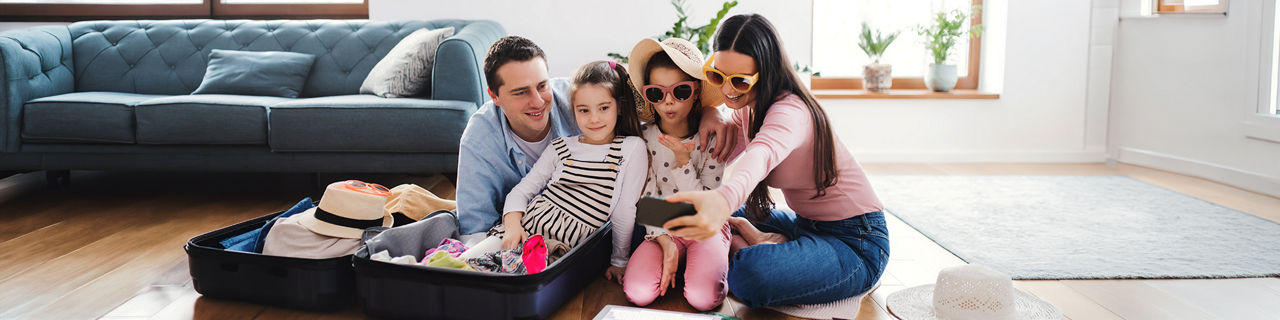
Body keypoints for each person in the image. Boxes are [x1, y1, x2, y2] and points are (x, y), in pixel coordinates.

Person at [661, 14, 891, 308]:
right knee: (665, 214)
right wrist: (709, 113)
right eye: (718, 76)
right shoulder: (748, 108)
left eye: (740, 81)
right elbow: (711, 159)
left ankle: (745, 244)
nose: (728, 90)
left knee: (749, 275)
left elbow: (760, 156)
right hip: (804, 224)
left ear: (766, 73)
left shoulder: (790, 112)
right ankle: (756, 243)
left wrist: (722, 201)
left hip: (855, 241)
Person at [455, 36, 736, 242]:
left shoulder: (580, 98)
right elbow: (475, 227)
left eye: (542, 85)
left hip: (609, 217)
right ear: (494, 96)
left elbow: (661, 106)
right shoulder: (479, 140)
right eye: (520, 92)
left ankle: (729, 227)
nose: (538, 101)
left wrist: (709, 110)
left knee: (656, 216)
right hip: (534, 224)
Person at [462, 60, 647, 281]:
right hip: (524, 226)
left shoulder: (631, 148)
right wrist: (512, 227)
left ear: (619, 107)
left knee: (506, 283)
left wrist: (619, 261)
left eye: (604, 108)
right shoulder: (561, 147)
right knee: (461, 267)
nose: (594, 118)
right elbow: (521, 192)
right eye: (583, 110)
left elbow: (624, 210)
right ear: (573, 110)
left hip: (560, 245)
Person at [620, 37, 729, 311]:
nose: (668, 102)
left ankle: (725, 243)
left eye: (680, 91)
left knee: (704, 297)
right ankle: (685, 260)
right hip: (663, 227)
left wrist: (683, 162)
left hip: (706, 226)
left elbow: (707, 207)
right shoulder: (643, 138)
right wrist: (666, 242)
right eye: (657, 93)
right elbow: (645, 201)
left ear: (695, 92)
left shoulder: (712, 137)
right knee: (637, 292)